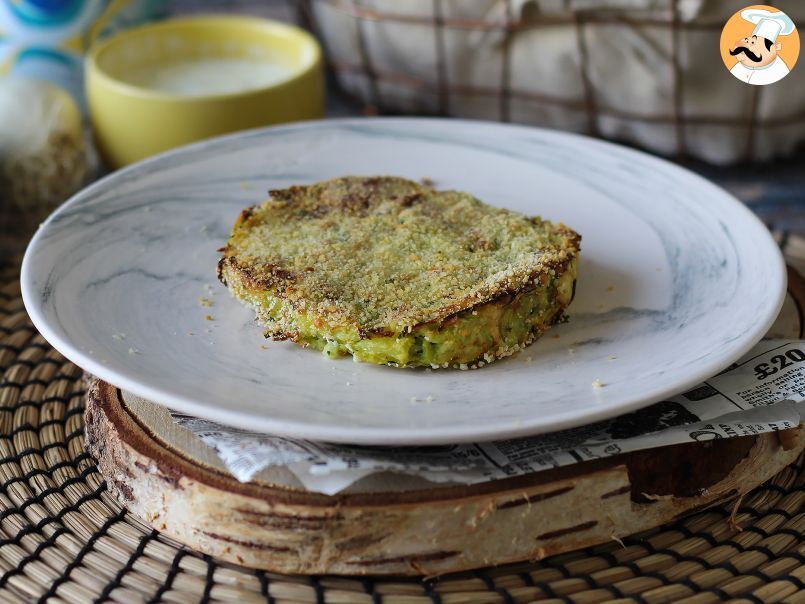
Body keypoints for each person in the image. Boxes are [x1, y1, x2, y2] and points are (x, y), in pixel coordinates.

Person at [729, 8, 796, 86]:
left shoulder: (779, 72)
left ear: (776, 47)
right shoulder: (738, 68)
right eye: (747, 40)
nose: (746, 43)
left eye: (753, 43)